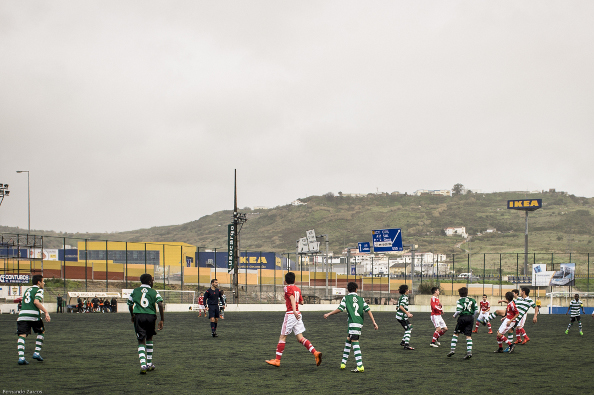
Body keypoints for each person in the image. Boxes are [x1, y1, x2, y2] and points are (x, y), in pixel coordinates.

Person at [265, 272, 322, 367]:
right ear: (295, 281)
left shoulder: (287, 288)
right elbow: (302, 302)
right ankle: (315, 353)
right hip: (298, 314)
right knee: (300, 338)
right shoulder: (297, 289)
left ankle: (277, 360)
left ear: (285, 281)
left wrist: (294, 310)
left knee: (282, 337)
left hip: (292, 314)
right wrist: (297, 307)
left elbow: (291, 298)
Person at [324, 282, 378, 373]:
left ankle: (360, 365)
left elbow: (340, 309)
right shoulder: (361, 299)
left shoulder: (346, 298)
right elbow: (368, 310)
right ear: (356, 289)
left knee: (354, 341)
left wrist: (329, 313)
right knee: (348, 339)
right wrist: (374, 322)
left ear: (348, 290)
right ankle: (343, 363)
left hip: (353, 322)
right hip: (358, 322)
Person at [127, 273, 164, 374]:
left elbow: (130, 304)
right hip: (151, 316)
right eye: (152, 280)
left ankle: (143, 365)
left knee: (141, 340)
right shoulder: (154, 291)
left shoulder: (135, 291)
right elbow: (160, 305)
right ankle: (149, 363)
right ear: (149, 282)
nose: (153, 282)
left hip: (139, 316)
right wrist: (162, 320)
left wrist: (132, 315)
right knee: (149, 338)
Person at [16, 275, 51, 365]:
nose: (44, 283)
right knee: (41, 332)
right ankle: (36, 352)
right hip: (33, 316)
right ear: (39, 282)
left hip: (22, 315)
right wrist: (46, 312)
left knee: (22, 335)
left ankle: (21, 358)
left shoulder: (27, 290)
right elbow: (36, 302)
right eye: (43, 281)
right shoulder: (39, 290)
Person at [447, 287, 477, 359]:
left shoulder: (460, 301)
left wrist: (454, 315)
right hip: (470, 318)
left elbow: (459, 311)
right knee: (468, 335)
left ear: (459, 294)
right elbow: (476, 311)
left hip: (462, 318)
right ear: (467, 293)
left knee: (456, 333)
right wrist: (472, 317)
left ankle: (452, 350)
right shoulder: (473, 300)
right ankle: (469, 352)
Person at [395, 284, 414, 350]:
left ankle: (403, 342)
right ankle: (406, 345)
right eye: (408, 289)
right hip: (402, 317)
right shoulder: (405, 297)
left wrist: (406, 312)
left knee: (410, 327)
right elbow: (400, 306)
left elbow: (397, 307)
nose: (409, 290)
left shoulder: (401, 297)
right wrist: (407, 313)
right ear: (406, 290)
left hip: (400, 316)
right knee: (408, 329)